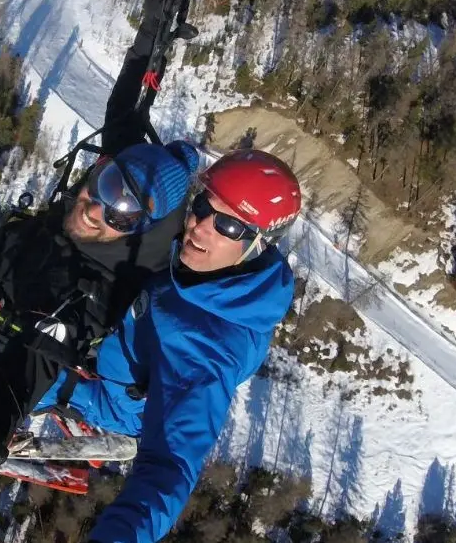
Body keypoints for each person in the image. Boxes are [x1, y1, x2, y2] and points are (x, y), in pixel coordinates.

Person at [0, 0, 203, 497]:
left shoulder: (106, 281)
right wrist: (153, 32)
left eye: (118, 216)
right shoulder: (128, 163)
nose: (95, 209)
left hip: (36, 335)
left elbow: (22, 375)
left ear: (141, 226)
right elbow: (129, 99)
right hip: (0, 292)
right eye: (101, 187)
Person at [74, 147, 302, 543]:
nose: (200, 226)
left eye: (229, 226)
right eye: (202, 205)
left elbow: (170, 466)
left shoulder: (209, 348)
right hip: (108, 337)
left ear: (259, 244)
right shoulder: (209, 268)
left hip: (108, 397)